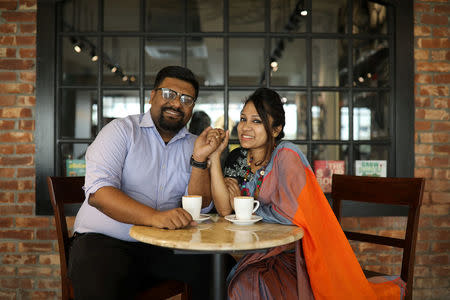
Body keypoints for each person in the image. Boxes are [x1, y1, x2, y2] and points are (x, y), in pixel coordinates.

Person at [209, 87, 406, 299]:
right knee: (239, 278)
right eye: (243, 119)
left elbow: (289, 213)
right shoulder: (237, 157)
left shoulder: (286, 155)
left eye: (256, 121)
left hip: (295, 256)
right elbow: (224, 209)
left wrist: (245, 206)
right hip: (256, 252)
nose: (245, 127)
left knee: (248, 283)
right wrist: (214, 158)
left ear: (276, 129)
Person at [69, 66, 225, 300]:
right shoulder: (121, 131)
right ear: (152, 96)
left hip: (162, 247)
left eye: (186, 99)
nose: (176, 104)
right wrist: (154, 217)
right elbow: (99, 194)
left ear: (192, 107)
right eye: (169, 94)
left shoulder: (196, 144)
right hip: (105, 243)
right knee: (100, 273)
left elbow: (201, 207)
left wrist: (200, 160)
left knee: (219, 267)